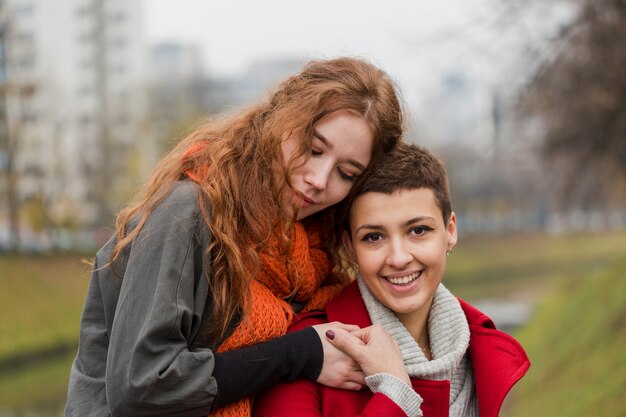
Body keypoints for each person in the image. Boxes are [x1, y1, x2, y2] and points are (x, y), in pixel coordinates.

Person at [64, 57, 404, 417]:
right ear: (282, 117)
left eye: (346, 173)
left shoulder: (317, 254)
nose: (319, 179)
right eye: (313, 148)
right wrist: (300, 352)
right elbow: (144, 386)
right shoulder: (186, 214)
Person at [254, 143, 530, 417]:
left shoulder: (480, 348)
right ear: (350, 247)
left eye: (418, 230)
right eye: (373, 237)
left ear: (450, 231)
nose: (398, 258)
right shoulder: (311, 355)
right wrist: (394, 397)